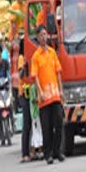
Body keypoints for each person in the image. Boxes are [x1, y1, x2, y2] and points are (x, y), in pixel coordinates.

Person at [31, 24, 65, 164]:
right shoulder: (36, 56)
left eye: (45, 34)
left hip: (55, 94)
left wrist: (61, 90)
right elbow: (35, 77)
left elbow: (58, 72)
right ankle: (48, 154)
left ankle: (57, 151)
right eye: (41, 35)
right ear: (38, 38)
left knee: (59, 122)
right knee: (47, 127)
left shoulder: (52, 52)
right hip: (44, 97)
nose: (44, 37)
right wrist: (40, 92)